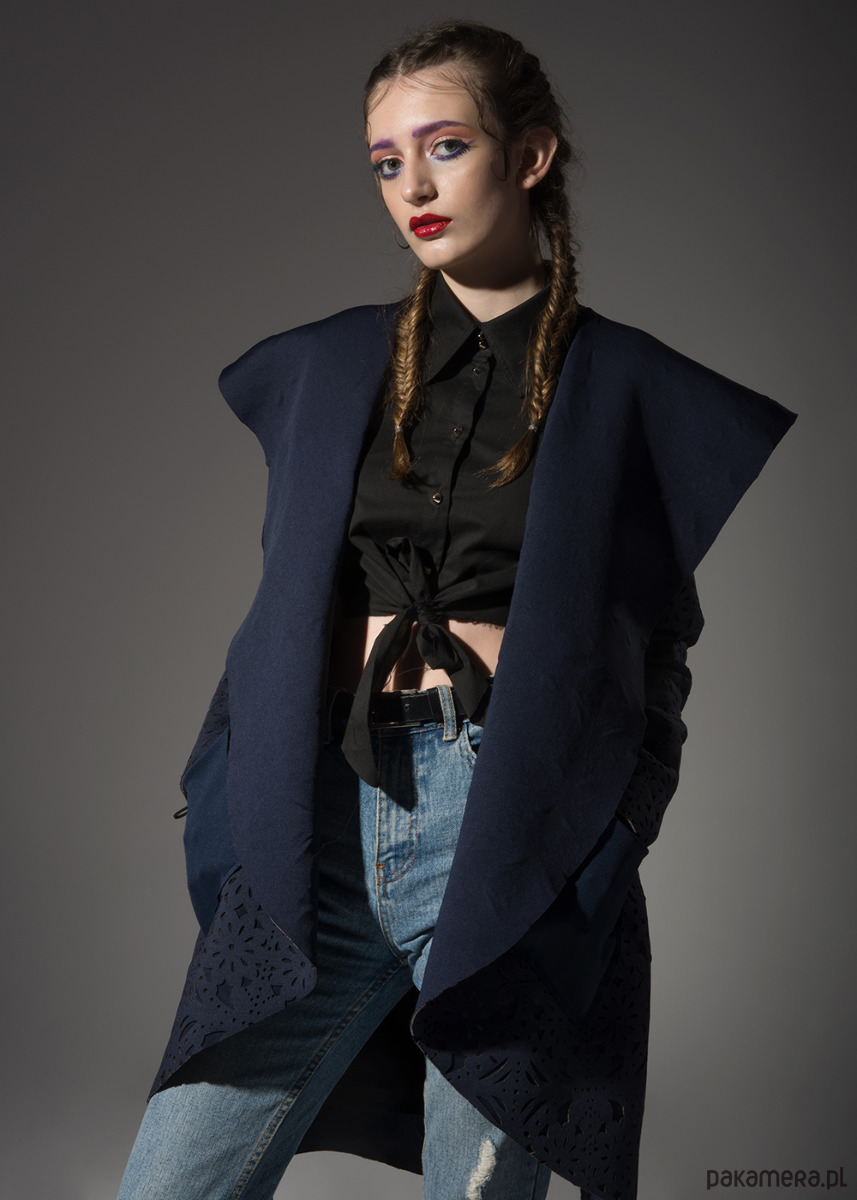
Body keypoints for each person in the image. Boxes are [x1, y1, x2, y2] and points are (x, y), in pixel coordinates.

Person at [117, 20, 795, 1200]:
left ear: (528, 156)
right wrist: (218, 766)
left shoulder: (629, 390)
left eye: (444, 147)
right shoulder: (325, 369)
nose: (412, 188)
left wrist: (622, 818)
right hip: (320, 817)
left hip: (500, 823)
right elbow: (281, 602)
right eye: (386, 162)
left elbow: (654, 644)